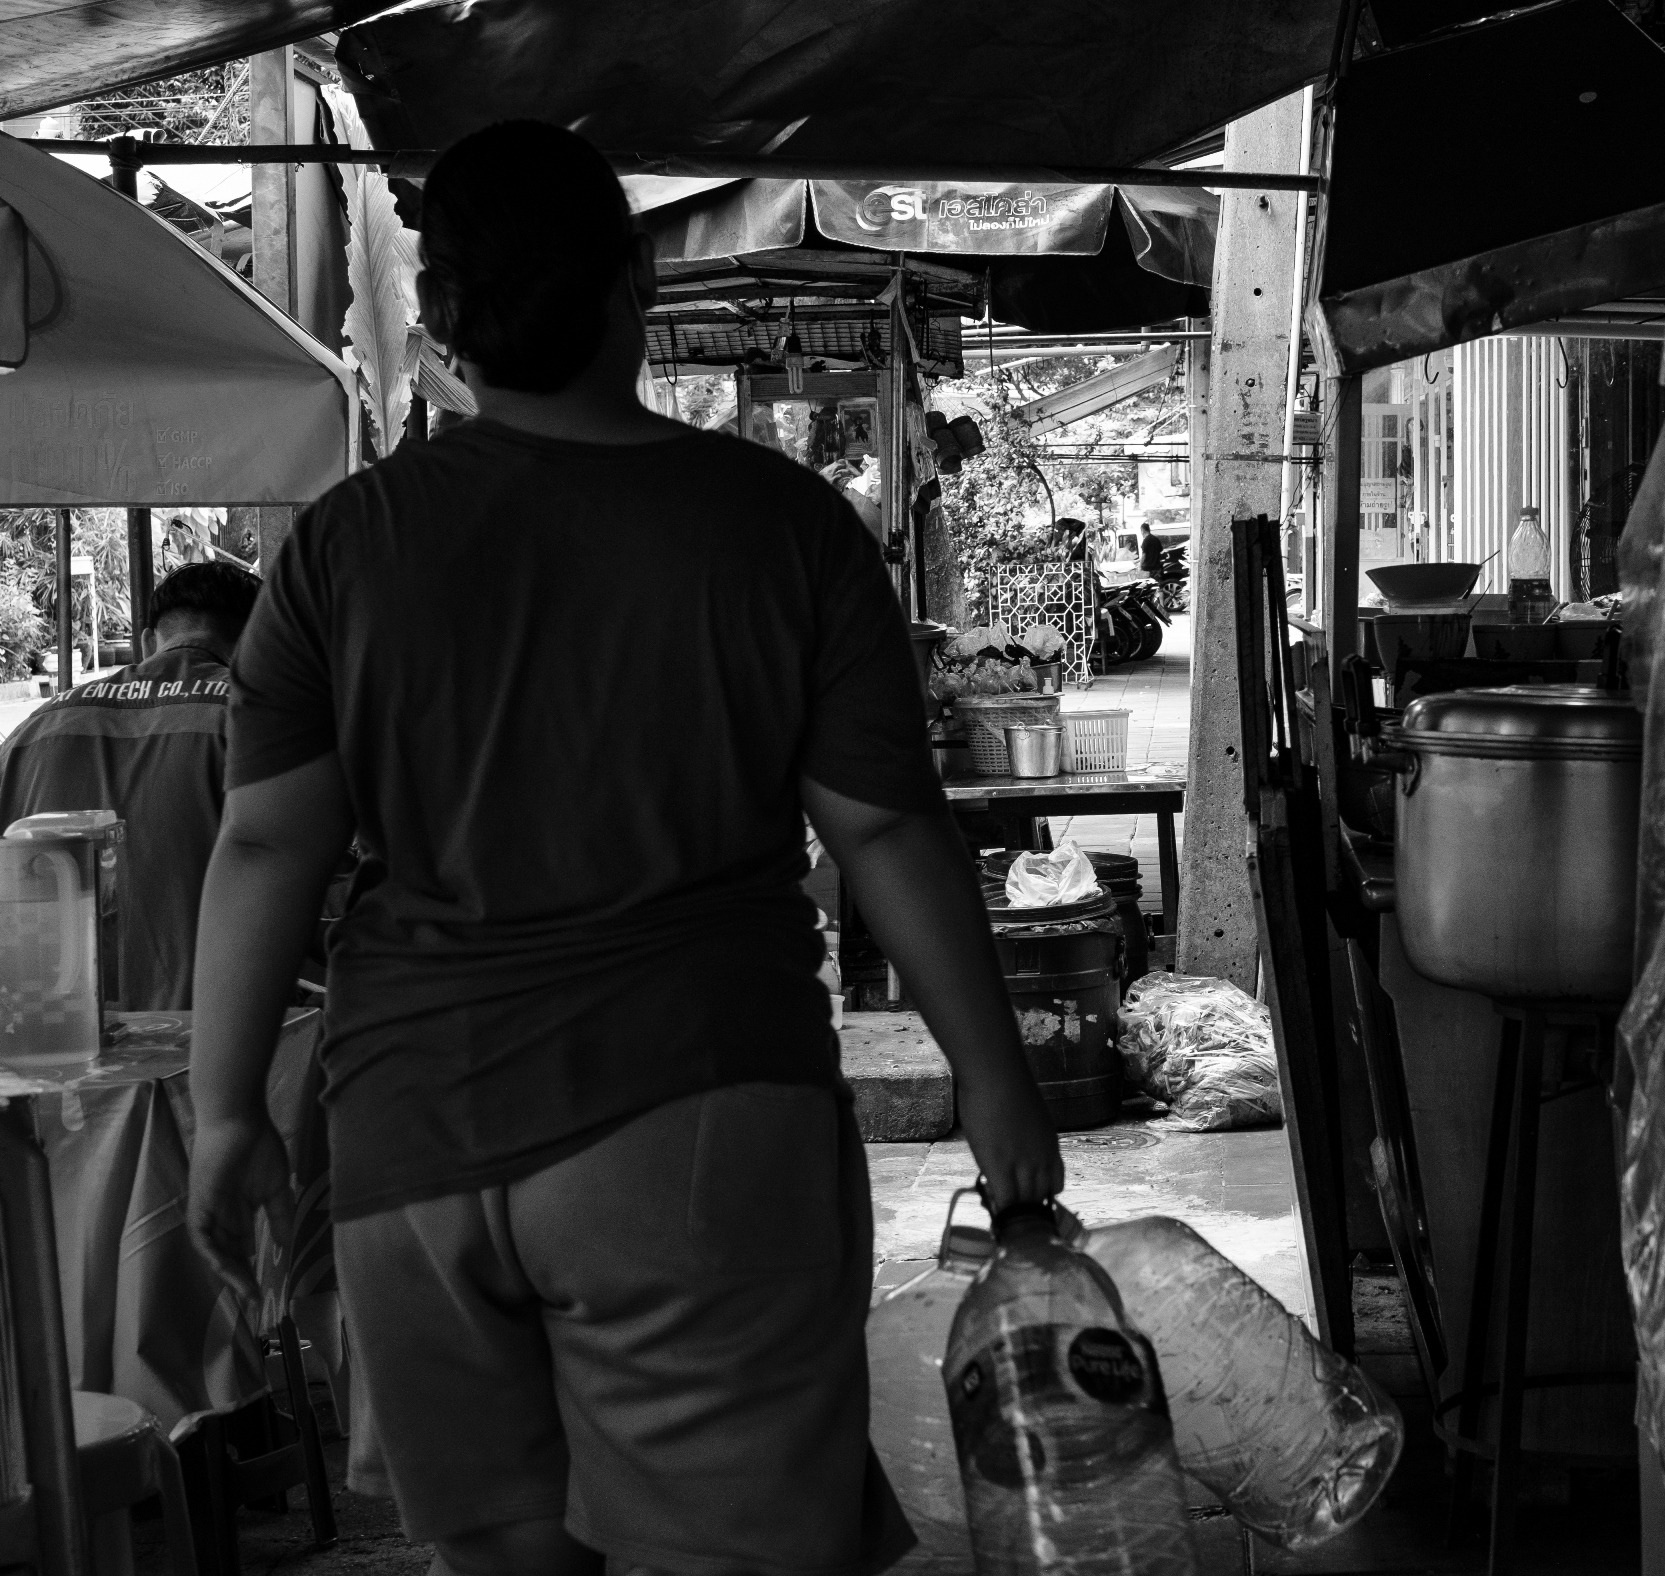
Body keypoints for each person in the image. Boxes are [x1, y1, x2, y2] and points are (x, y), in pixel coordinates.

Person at [186, 120, 1062, 1576]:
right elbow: (886, 828)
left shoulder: (344, 547)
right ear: (636, 280)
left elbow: (267, 846)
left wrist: (226, 1114)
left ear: (438, 311)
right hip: (698, 1126)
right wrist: (994, 1076)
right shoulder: (783, 529)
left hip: (414, 1145)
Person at [0, 561, 262, 1009]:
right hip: (212, 1032)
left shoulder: (33, 730)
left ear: (147, 642)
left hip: (55, 1030)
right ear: (262, 643)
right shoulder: (259, 722)